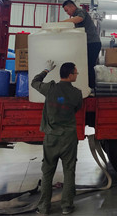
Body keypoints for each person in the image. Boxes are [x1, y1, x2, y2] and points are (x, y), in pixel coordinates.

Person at [31, 61, 83, 216]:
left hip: (51, 138)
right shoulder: (77, 93)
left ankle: (43, 208)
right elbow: (77, 108)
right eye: (76, 72)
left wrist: (46, 70)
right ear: (70, 75)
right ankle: (67, 206)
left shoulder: (50, 88)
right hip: (69, 138)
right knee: (69, 171)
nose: (77, 75)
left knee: (47, 173)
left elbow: (34, 82)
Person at [62, 0, 101, 89]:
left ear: (72, 6)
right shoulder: (75, 16)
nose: (67, 13)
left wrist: (62, 22)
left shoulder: (80, 12)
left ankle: (91, 88)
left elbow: (79, 18)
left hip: (92, 43)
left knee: (89, 66)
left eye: (67, 10)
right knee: (86, 65)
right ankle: (87, 87)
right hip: (88, 44)